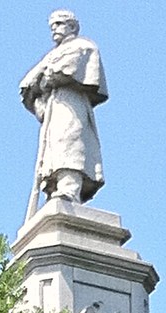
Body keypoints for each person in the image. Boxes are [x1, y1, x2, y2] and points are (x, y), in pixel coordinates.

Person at [20, 10, 108, 206]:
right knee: (53, 148)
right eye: (52, 26)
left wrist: (45, 78)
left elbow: (66, 71)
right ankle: (55, 188)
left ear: (72, 27)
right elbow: (27, 85)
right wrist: (38, 97)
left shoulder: (83, 46)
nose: (54, 30)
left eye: (59, 24)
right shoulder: (50, 56)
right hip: (53, 104)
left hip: (72, 102)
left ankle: (70, 189)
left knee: (69, 140)